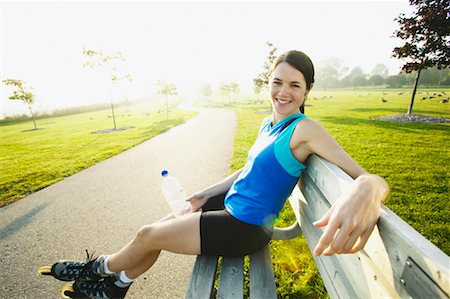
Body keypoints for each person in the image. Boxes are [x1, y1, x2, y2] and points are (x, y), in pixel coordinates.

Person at [43, 50, 390, 298]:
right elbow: (247, 170)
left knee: (148, 234)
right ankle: (116, 287)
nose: (284, 92)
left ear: (307, 90)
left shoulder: (305, 129)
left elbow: (369, 177)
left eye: (295, 86)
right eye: (277, 82)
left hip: (245, 228)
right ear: (268, 83)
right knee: (158, 229)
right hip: (230, 208)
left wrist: (367, 189)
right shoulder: (269, 125)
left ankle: (96, 269)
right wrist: (202, 195)